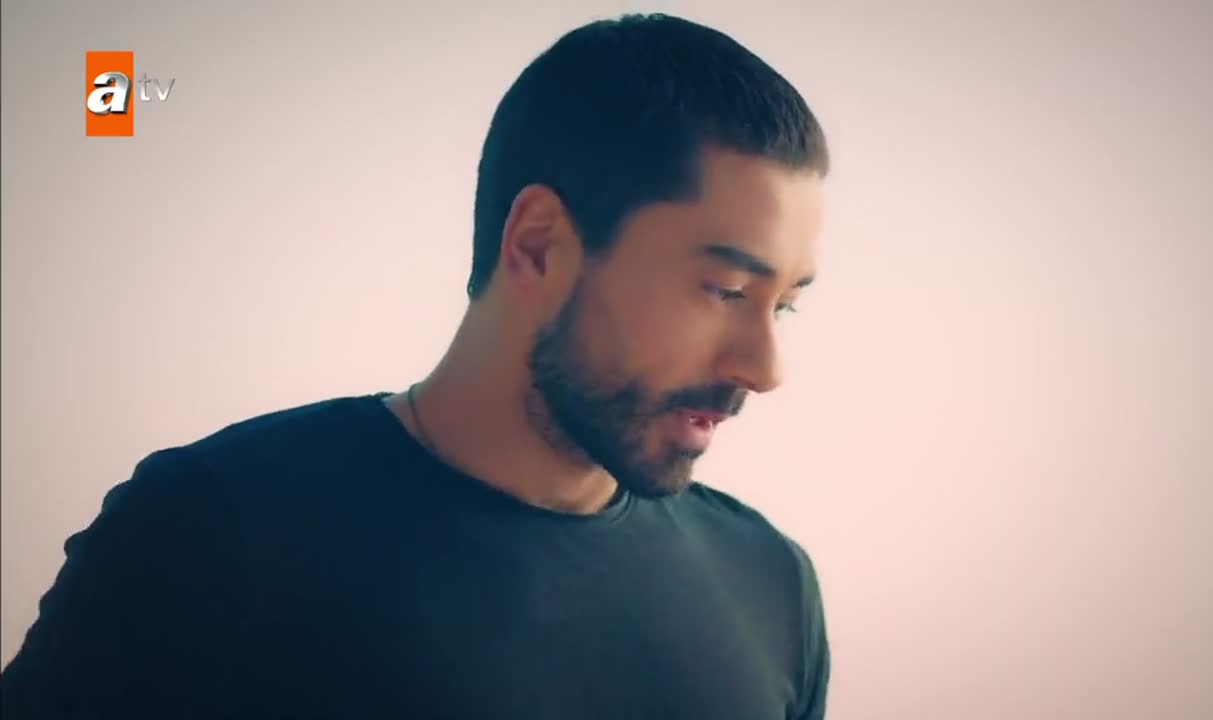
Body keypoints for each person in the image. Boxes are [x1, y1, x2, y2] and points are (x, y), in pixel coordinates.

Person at [1, 12, 830, 719]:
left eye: (784, 304)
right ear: (538, 245)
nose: (764, 368)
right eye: (726, 291)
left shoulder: (770, 586)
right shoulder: (209, 534)